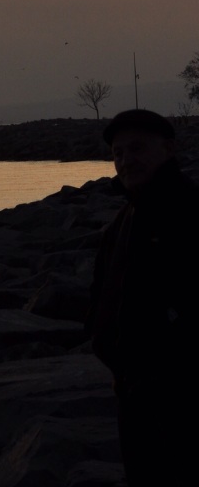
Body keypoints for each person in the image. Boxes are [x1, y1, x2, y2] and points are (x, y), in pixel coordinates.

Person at [88, 109, 197, 485]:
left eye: (136, 149)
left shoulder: (188, 210)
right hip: (133, 391)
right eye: (117, 153)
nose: (125, 161)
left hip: (178, 395)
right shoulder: (124, 219)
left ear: (167, 148)